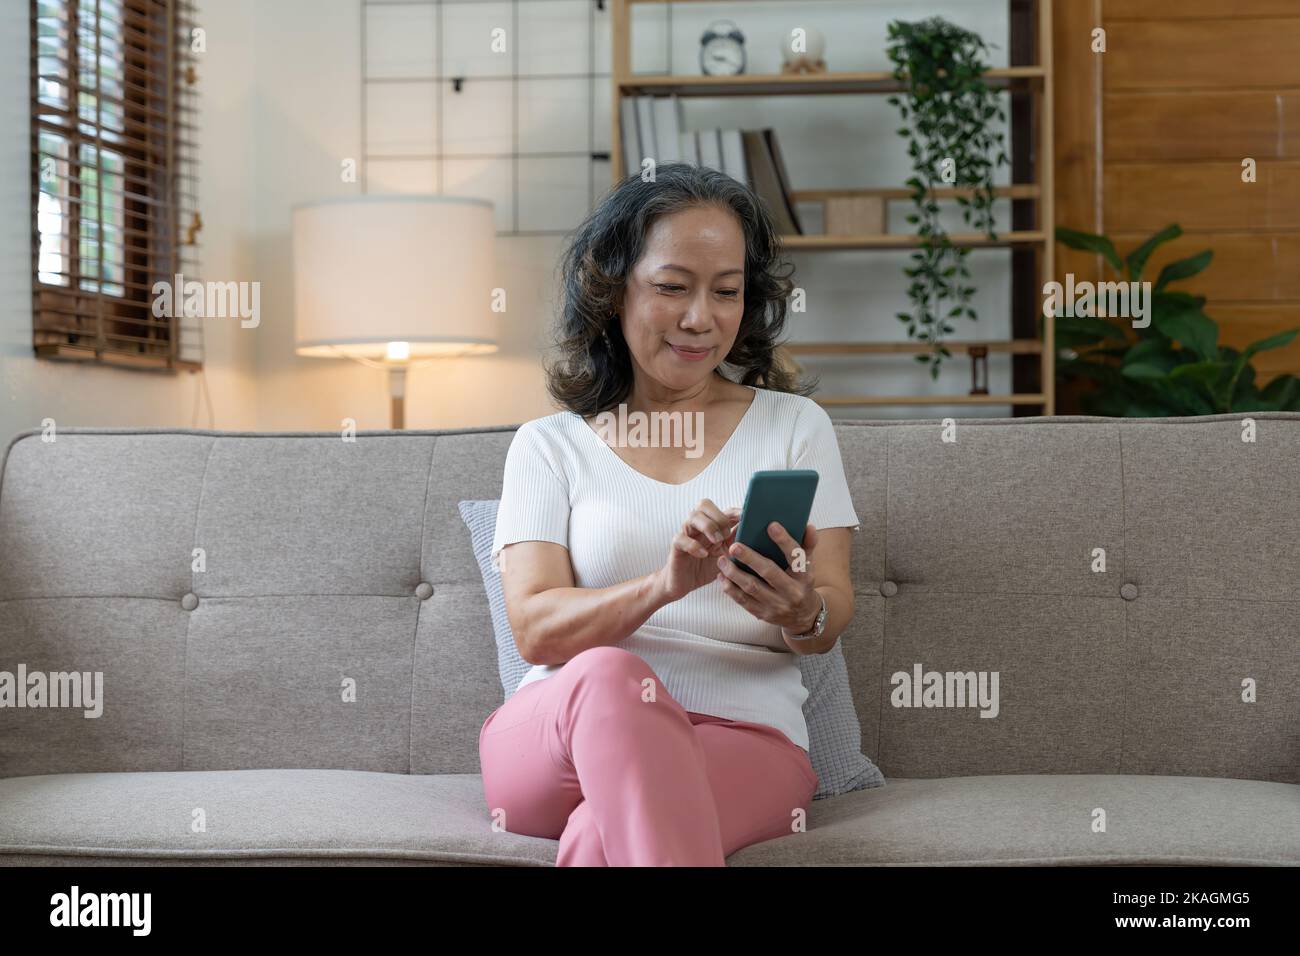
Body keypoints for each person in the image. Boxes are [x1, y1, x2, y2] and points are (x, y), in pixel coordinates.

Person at [479, 162, 860, 866]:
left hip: (744, 739)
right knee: (612, 677)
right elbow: (534, 630)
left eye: (726, 292)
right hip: (558, 738)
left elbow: (829, 615)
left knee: (604, 836)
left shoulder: (795, 427)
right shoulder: (548, 446)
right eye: (672, 287)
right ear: (612, 288)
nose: (700, 319)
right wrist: (666, 585)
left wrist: (798, 608)